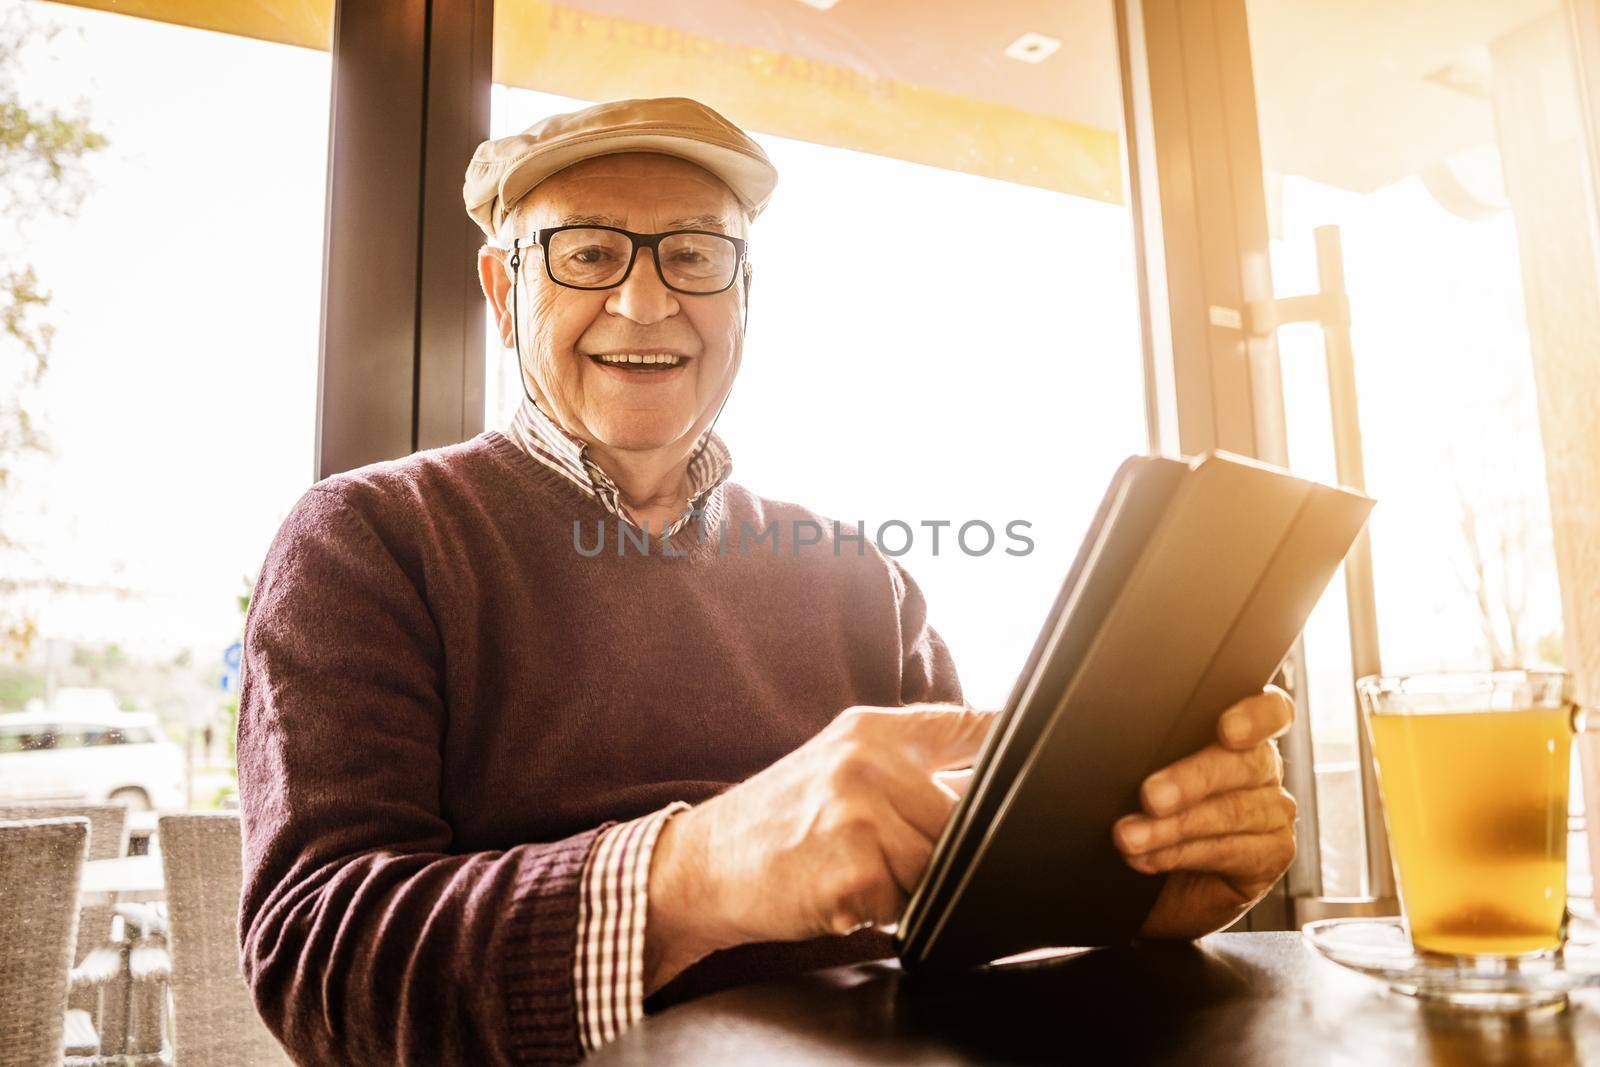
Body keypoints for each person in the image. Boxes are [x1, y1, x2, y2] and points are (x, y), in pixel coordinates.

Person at [236, 96, 1298, 1066]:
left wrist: (1142, 885)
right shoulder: (367, 537)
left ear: (743, 293)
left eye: (694, 254)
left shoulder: (859, 576)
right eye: (588, 252)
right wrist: (699, 872)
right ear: (503, 292)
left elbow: (966, 907)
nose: (645, 301)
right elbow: (319, 963)